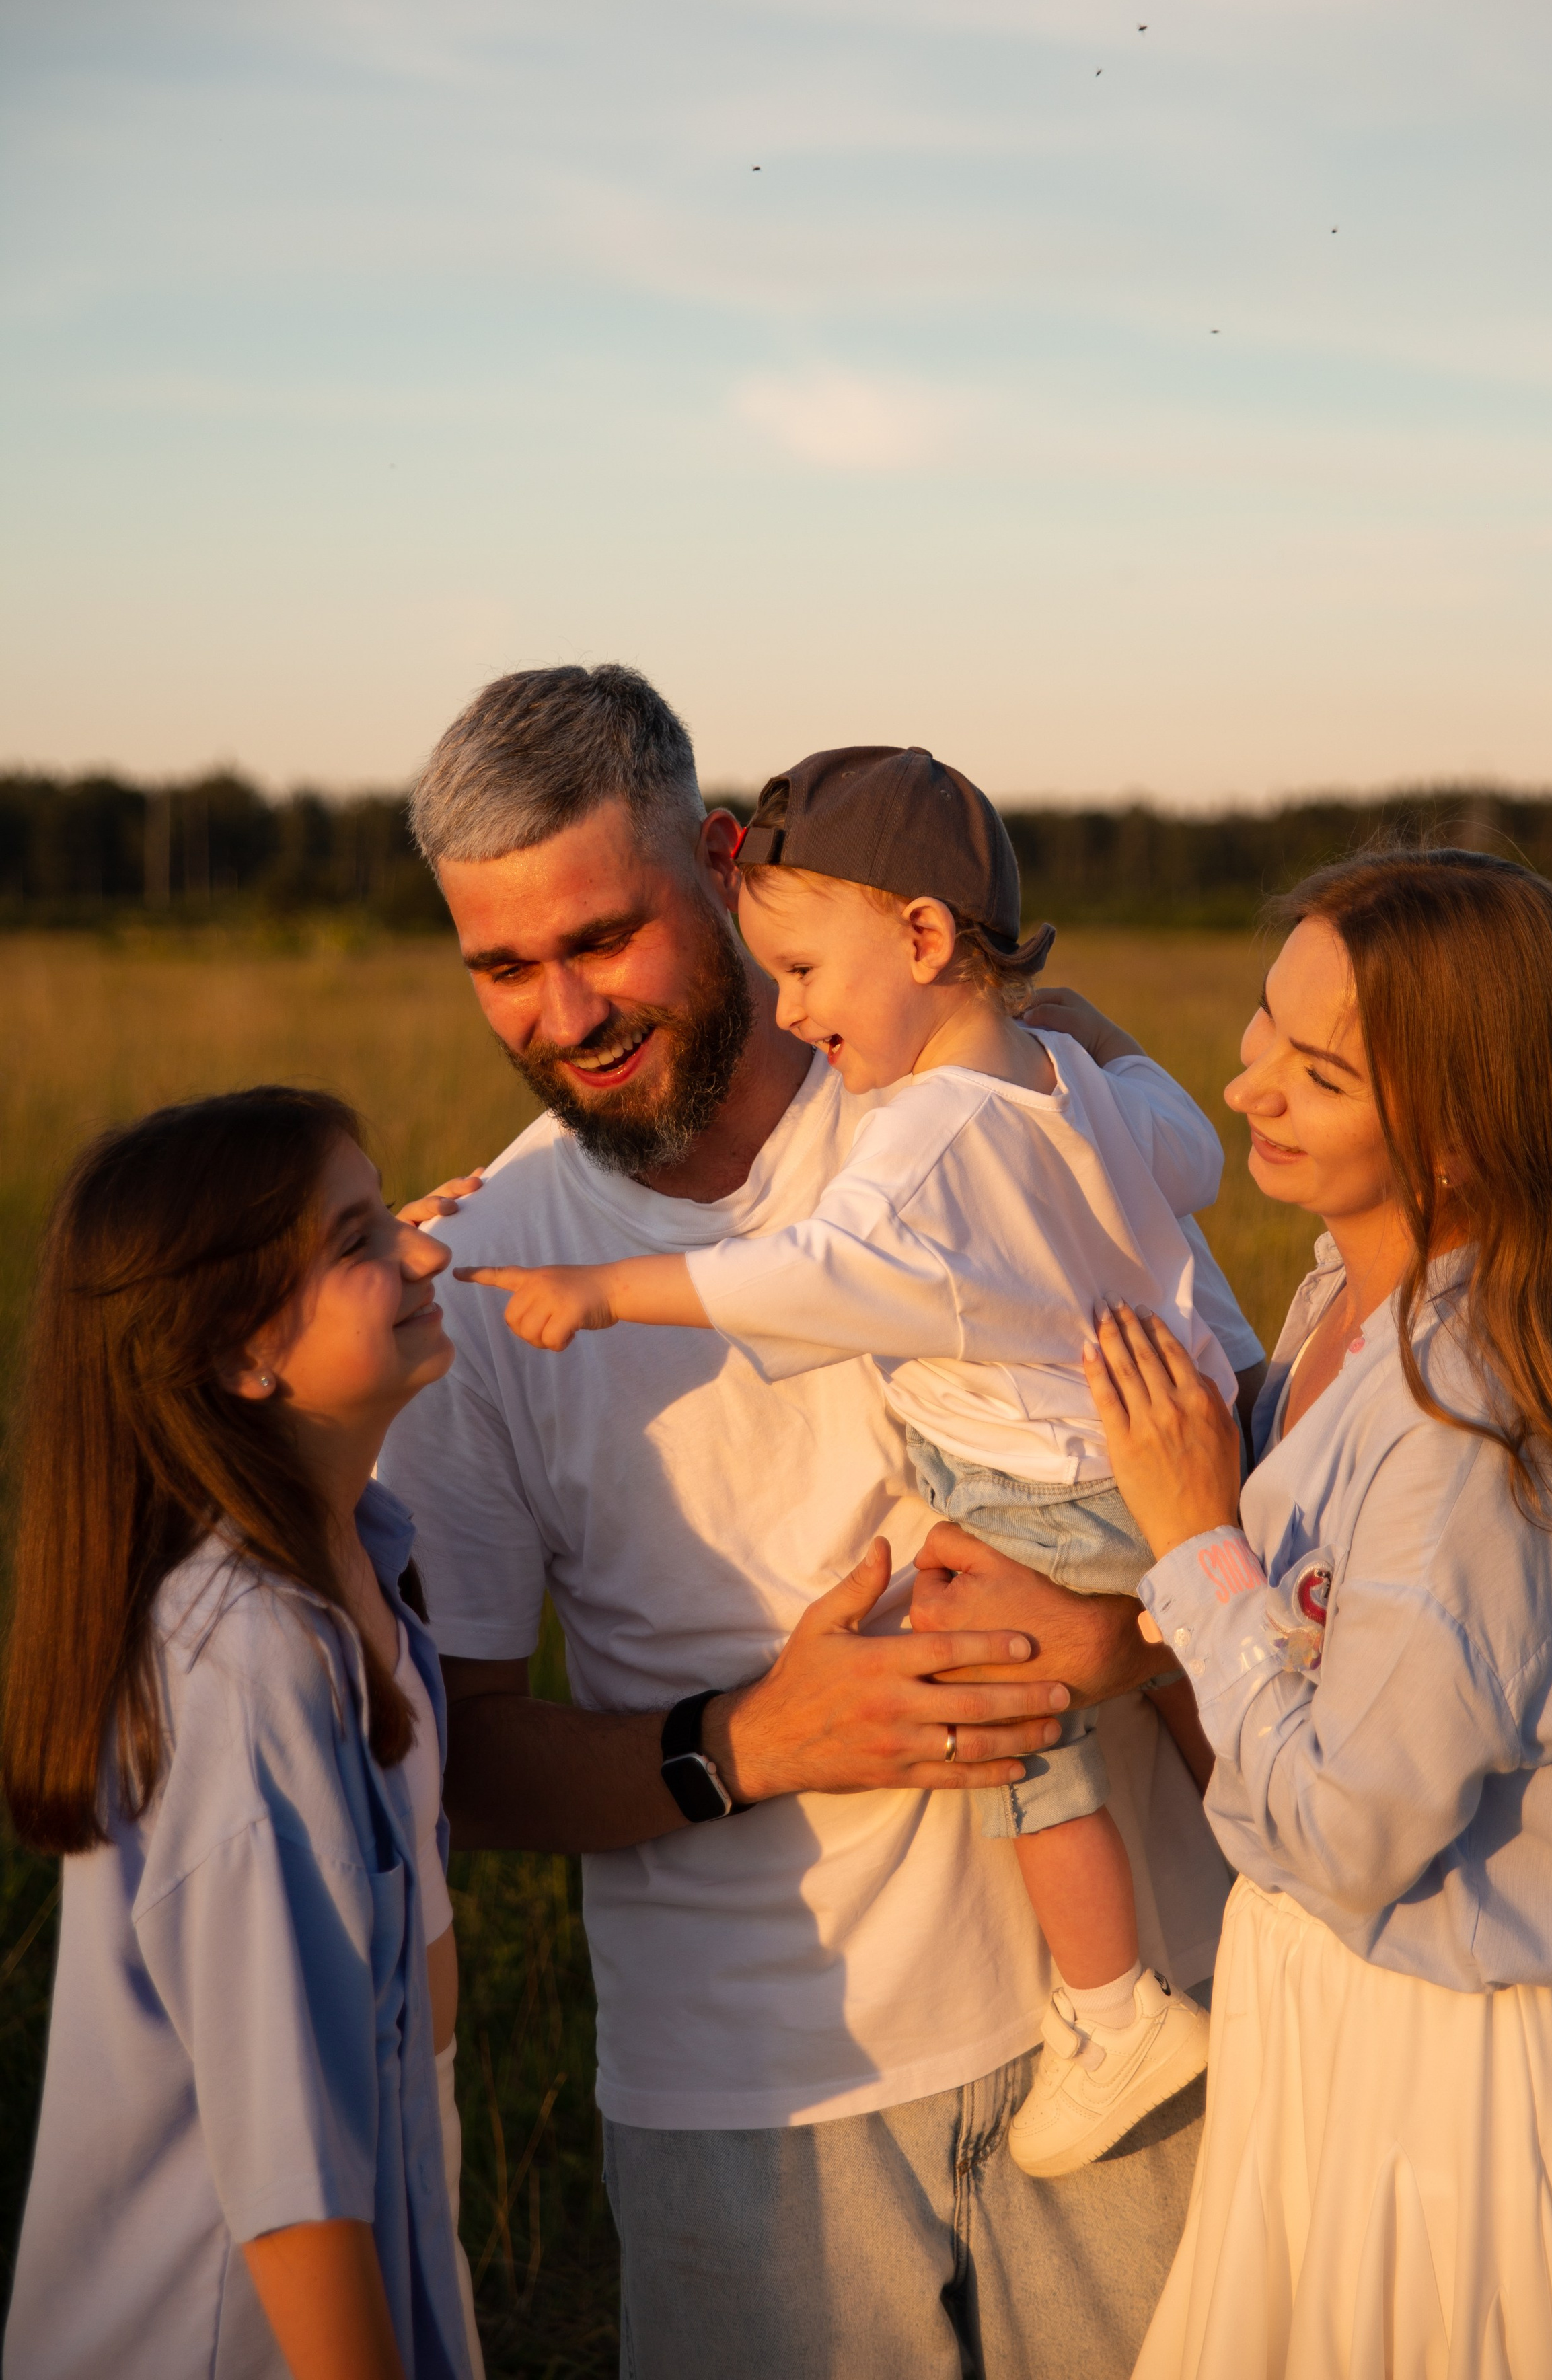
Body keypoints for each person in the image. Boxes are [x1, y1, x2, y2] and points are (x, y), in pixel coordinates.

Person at [379, 665, 1264, 2380]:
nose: (561, 1015)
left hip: (1138, 2019)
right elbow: (463, 1764)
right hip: (753, 2102)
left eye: (601, 939)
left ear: (720, 861)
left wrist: (1115, 1635)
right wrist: (747, 1743)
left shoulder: (996, 1100)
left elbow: (1229, 1462)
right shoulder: (492, 1280)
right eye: (503, 966)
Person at [1076, 850, 1552, 2379]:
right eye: (1258, 1027)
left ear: (1457, 1128)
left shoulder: (1466, 1426)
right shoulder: (1336, 1306)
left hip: (1451, 2070)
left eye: (1315, 1073)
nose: (1246, 1091)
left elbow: (1356, 1827)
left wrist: (1188, 1544)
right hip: (1326, 2007)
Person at [3, 1088, 479, 2380]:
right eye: (360, 1242)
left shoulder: (360, 1581)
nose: (425, 1253)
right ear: (240, 1355)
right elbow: (294, 2182)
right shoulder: (246, 1665)